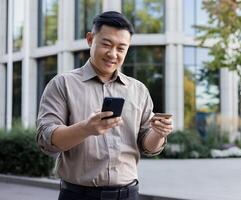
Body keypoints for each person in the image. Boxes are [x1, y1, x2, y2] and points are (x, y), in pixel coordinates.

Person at [36, 11, 173, 200]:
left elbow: (147, 146)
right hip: (78, 195)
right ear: (90, 39)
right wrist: (86, 128)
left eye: (121, 48)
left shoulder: (138, 90)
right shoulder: (62, 84)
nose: (113, 54)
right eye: (106, 44)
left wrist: (158, 133)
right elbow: (47, 140)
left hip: (128, 195)